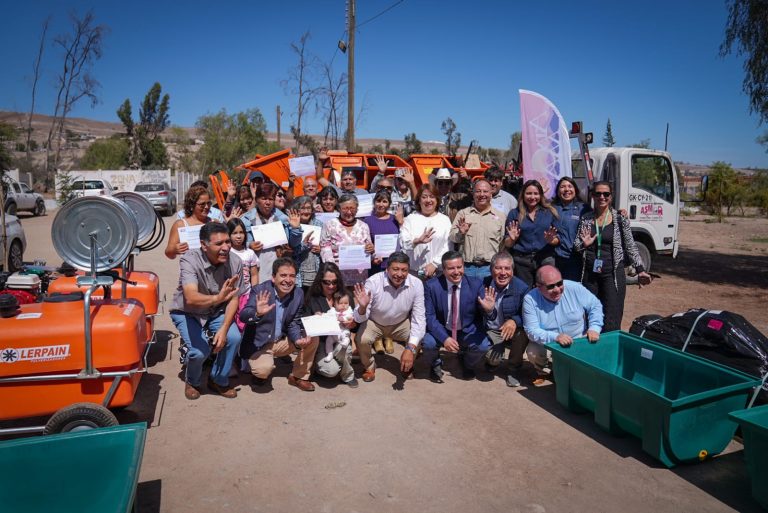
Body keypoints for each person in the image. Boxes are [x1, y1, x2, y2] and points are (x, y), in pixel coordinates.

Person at [169, 222, 247, 400]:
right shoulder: (189, 260)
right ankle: (193, 381)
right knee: (199, 351)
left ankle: (218, 379)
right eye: (219, 243)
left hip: (216, 311)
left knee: (233, 338)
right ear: (204, 245)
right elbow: (190, 297)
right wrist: (218, 298)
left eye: (227, 242)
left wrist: (224, 329)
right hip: (187, 311)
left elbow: (234, 298)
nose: (226, 247)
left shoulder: (235, 261)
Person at [573, 181, 652, 332]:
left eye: (606, 194)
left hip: (612, 275)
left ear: (611, 196)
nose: (602, 197)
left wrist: (640, 269)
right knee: (591, 317)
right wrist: (584, 244)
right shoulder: (586, 219)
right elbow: (576, 245)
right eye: (598, 194)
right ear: (593, 196)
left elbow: (630, 245)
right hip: (590, 275)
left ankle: (609, 345)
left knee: (612, 318)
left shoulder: (620, 219)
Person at [239, 258, 319, 392]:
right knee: (263, 370)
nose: (288, 280)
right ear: (273, 277)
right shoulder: (260, 290)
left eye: (292, 276)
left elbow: (294, 322)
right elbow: (244, 315)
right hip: (260, 344)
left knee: (312, 337)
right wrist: (257, 313)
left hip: (280, 341)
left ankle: (298, 376)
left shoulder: (298, 293)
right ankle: (256, 369)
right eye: (283, 275)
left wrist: (298, 339)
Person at [522, 265, 604, 385]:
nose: (557, 289)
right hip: (551, 343)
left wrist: (594, 327)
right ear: (539, 287)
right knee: (533, 351)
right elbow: (531, 330)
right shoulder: (530, 299)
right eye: (550, 286)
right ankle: (546, 371)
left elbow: (595, 305)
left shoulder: (575, 287)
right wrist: (556, 337)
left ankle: (567, 370)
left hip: (578, 339)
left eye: (560, 283)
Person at [352, 252, 426, 382]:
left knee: (417, 338)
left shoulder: (417, 284)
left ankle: (407, 366)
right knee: (362, 339)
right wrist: (362, 307)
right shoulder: (373, 282)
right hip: (375, 322)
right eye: (395, 269)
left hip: (401, 323)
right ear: (387, 269)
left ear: (409, 270)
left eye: (404, 270)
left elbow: (419, 318)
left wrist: (410, 348)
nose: (399, 274)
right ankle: (369, 367)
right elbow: (359, 319)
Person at [422, 251, 494, 382]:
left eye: (459, 267)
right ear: (443, 270)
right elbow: (430, 317)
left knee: (483, 345)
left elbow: (484, 314)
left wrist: (488, 310)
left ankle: (467, 363)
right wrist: (445, 338)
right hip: (442, 328)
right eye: (451, 268)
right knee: (428, 343)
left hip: (467, 330)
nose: (456, 272)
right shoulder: (432, 286)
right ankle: (435, 364)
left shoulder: (475, 284)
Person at [481, 252, 530, 387]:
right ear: (491, 269)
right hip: (492, 330)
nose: (503, 273)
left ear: (512, 271)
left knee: (522, 333)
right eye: (498, 268)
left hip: (513, 330)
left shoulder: (522, 288)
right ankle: (492, 361)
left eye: (507, 268)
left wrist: (515, 321)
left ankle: (514, 368)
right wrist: (488, 310)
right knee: (493, 359)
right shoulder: (482, 285)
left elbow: (528, 314)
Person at [504, 179, 560, 287]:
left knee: (547, 289)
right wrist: (512, 239)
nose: (532, 197)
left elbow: (558, 239)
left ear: (541, 195)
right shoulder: (514, 214)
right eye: (529, 193)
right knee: (525, 291)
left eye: (536, 193)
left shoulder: (550, 212)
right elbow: (507, 243)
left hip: (545, 259)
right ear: (523, 195)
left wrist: (551, 240)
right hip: (522, 261)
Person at [449, 179, 505, 279]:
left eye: (485, 191)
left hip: (490, 268)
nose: (482, 194)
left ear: (491, 194)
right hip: (467, 268)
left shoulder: (500, 217)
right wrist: (460, 233)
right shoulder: (463, 214)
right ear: (473, 193)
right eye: (478, 191)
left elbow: (503, 244)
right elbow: (452, 238)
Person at [319, 194, 375, 286]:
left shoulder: (363, 226)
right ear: (339, 209)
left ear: (357, 209)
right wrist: (333, 271)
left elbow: (369, 251)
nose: (349, 212)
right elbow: (325, 250)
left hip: (359, 277)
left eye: (352, 208)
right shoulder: (330, 225)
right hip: (337, 277)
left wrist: (371, 250)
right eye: (345, 208)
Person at [399, 183, 452, 279]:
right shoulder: (410, 219)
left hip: (438, 273)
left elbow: (448, 245)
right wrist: (416, 241)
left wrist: (434, 264)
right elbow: (403, 243)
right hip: (415, 273)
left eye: (432, 197)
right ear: (419, 200)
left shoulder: (445, 220)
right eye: (424, 197)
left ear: (437, 200)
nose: (428, 200)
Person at [314, 289, 358, 388]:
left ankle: (348, 375)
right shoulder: (332, 310)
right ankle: (330, 354)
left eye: (346, 303)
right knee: (328, 342)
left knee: (346, 340)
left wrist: (346, 319)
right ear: (334, 304)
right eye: (340, 303)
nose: (343, 305)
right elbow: (327, 316)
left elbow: (351, 316)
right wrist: (320, 315)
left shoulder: (348, 310)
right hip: (332, 334)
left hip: (342, 332)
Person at [244, 182, 285, 284]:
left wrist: (295, 229)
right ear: (256, 200)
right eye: (264, 198)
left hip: (277, 271)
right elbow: (236, 244)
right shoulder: (246, 220)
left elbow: (293, 243)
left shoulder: (283, 219)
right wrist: (249, 245)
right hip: (256, 272)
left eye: (270, 199)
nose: (267, 202)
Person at [552, 177, 590, 281]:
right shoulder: (551, 208)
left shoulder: (584, 208)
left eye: (570, 186)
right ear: (558, 191)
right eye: (562, 187)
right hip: (556, 258)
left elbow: (600, 214)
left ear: (575, 190)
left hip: (576, 259)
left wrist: (619, 212)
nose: (566, 189)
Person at [165, 185, 213, 260]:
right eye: (202, 204)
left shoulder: (214, 223)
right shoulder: (180, 225)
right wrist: (175, 250)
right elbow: (169, 254)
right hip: (190, 267)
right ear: (192, 205)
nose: (206, 207)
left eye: (209, 203)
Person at [286, 196, 322, 290]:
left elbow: (326, 246)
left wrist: (321, 249)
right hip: (298, 275)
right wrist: (304, 245)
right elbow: (289, 252)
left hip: (315, 274)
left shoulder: (319, 224)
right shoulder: (289, 226)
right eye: (302, 208)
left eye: (308, 208)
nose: (306, 211)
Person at [365, 190, 403, 275]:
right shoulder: (367, 220)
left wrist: (401, 222)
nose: (381, 204)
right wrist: (372, 255)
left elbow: (402, 239)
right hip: (376, 265)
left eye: (384, 201)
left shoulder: (395, 219)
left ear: (389, 204)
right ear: (374, 202)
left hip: (394, 264)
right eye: (378, 201)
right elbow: (366, 243)